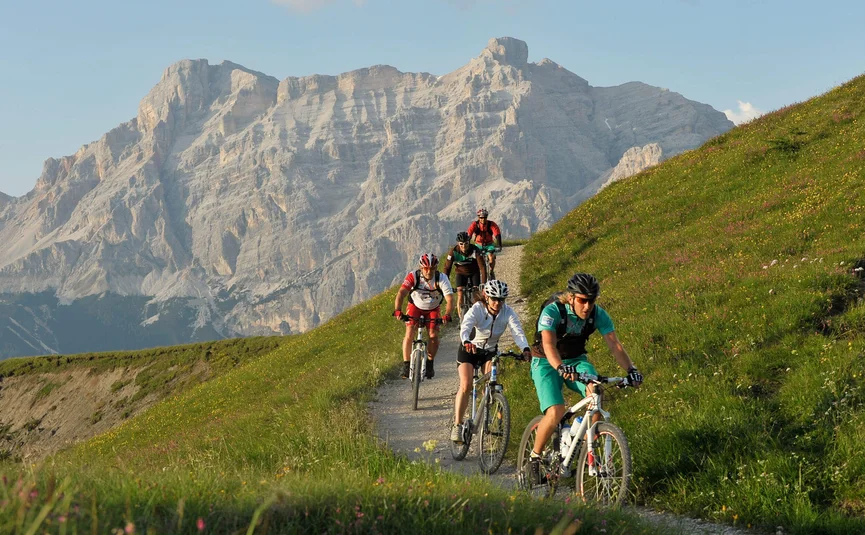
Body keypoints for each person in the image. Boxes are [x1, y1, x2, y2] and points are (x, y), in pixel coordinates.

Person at [527, 273, 643, 484]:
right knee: (556, 411)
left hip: (576, 360)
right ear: (571, 297)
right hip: (545, 361)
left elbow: (615, 345)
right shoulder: (552, 311)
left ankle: (582, 444)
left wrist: (631, 369)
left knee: (596, 394)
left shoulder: (598, 314)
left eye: (591, 300)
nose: (587, 306)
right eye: (582, 300)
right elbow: (548, 345)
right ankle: (534, 457)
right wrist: (560, 367)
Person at [452, 280, 532, 442]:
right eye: (494, 299)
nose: (497, 303)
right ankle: (457, 425)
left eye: (501, 300)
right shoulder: (477, 309)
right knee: (466, 385)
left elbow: (517, 331)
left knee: (492, 384)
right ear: (486, 297)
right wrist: (466, 340)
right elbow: (466, 325)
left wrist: (525, 348)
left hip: (490, 352)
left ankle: (487, 416)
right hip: (470, 349)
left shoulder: (507, 312)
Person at [394, 252, 455, 380]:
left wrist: (447, 315)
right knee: (409, 332)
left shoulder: (442, 278)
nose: (429, 271)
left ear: (436, 268)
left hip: (433, 308)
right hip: (415, 306)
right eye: (426, 268)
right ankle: (406, 365)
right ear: (421, 268)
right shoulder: (414, 276)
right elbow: (401, 293)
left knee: (433, 335)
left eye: (432, 268)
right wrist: (398, 310)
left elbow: (450, 299)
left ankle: (430, 363)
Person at [442, 231, 488, 320]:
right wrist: (444, 283)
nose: (464, 246)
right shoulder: (453, 251)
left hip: (474, 272)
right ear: (458, 243)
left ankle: (477, 316)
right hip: (461, 273)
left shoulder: (475, 250)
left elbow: (482, 267)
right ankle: (461, 320)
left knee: (476, 295)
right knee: (460, 294)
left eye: (466, 243)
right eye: (461, 244)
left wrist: (483, 283)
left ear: (469, 242)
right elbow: (447, 268)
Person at [467, 208, 502, 279]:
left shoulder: (491, 224)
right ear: (478, 217)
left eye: (485, 217)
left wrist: (499, 245)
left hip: (489, 244)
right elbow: (469, 234)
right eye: (481, 218)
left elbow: (497, 233)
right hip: (478, 245)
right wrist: (467, 245)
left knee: (491, 257)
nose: (483, 219)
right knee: (475, 259)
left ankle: (491, 271)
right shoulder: (475, 224)